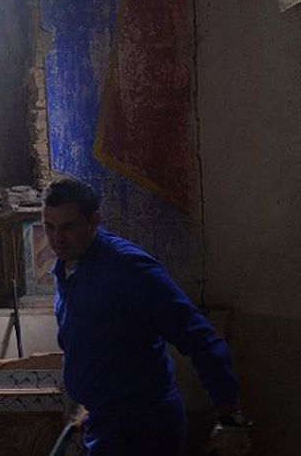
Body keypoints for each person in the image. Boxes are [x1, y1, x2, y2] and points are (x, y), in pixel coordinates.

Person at [43, 177, 249, 455]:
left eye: (68, 226)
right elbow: (89, 345)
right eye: (49, 226)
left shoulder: (128, 269)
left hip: (142, 429)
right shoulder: (67, 270)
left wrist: (228, 410)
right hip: (104, 423)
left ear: (94, 221)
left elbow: (196, 333)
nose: (57, 238)